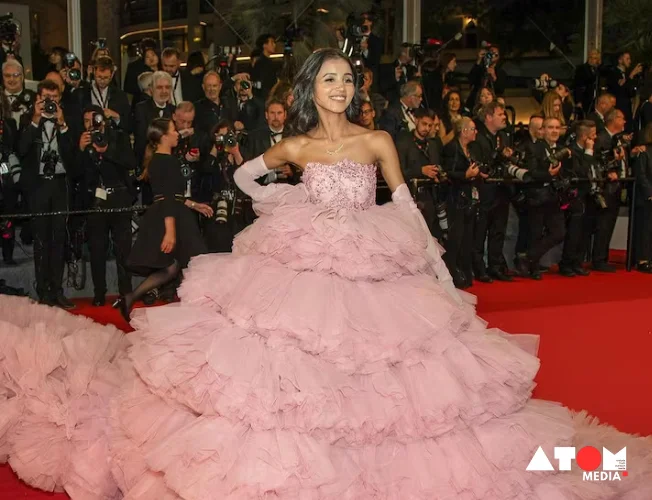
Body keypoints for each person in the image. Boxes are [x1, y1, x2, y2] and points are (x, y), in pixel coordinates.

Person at [1, 48, 652, 500]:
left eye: (347, 80)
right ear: (311, 88)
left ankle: (586, 463)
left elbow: (403, 205)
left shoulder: (376, 141)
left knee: (397, 382)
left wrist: (433, 265)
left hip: (371, 264)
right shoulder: (300, 146)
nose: (340, 88)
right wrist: (282, 199)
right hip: (304, 264)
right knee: (297, 372)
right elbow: (242, 175)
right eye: (329, 80)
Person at [113, 118, 212, 320]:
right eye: (174, 130)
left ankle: (130, 297)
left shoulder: (163, 159)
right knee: (197, 264)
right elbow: (166, 198)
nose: (177, 133)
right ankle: (197, 313)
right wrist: (170, 231)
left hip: (175, 214)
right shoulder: (163, 160)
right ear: (163, 137)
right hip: (173, 219)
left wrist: (194, 205)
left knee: (172, 268)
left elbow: (173, 196)